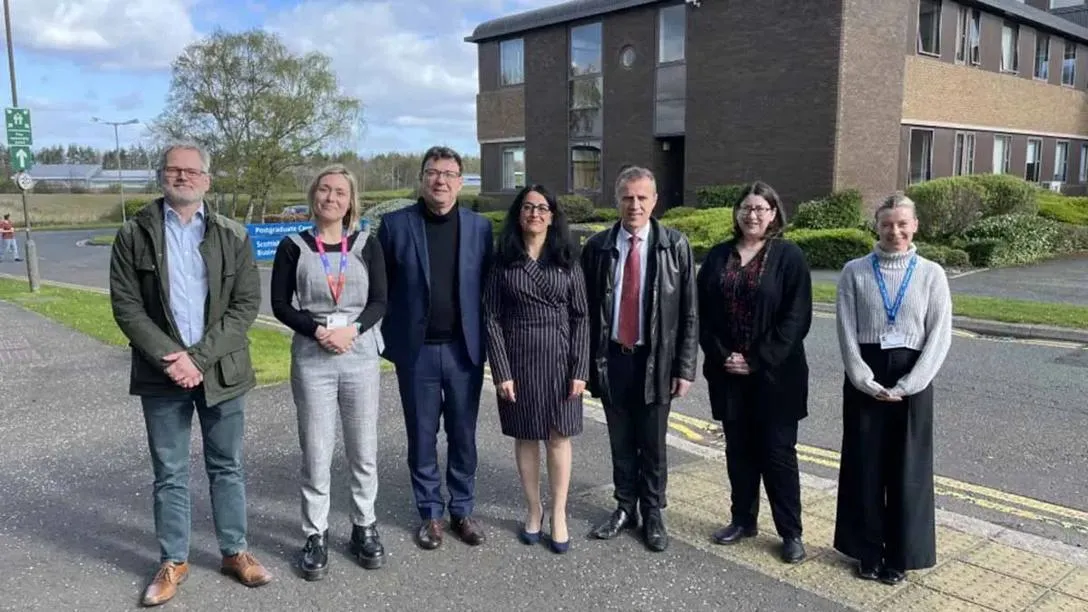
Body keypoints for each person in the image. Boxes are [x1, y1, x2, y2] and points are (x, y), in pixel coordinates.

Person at [109, 141, 272, 607]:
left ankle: (234, 551)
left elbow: (244, 307)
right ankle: (173, 560)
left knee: (227, 466)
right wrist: (172, 358)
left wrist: (197, 359)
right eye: (173, 170)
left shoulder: (232, 234)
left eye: (191, 171)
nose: (182, 176)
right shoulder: (133, 234)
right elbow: (126, 306)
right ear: (161, 176)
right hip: (162, 376)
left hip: (221, 371)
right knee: (170, 472)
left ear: (207, 179)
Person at [270, 164, 387, 580]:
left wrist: (352, 329)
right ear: (313, 196)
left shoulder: (366, 244)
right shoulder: (294, 246)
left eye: (340, 192)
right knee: (317, 452)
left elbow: (379, 301)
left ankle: (363, 525)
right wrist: (319, 330)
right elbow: (281, 304)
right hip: (313, 356)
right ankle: (315, 533)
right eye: (324, 190)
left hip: (359, 352)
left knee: (363, 448)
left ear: (351, 200)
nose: (331, 198)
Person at [378, 146, 494, 550]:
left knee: (463, 434)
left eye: (448, 173)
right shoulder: (394, 226)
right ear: (422, 179)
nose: (440, 180)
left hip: (465, 351)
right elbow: (382, 291)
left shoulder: (479, 228)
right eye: (432, 172)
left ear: (460, 182)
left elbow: (488, 289)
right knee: (422, 435)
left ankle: (462, 509)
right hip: (417, 353)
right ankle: (430, 513)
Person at [833, 193, 952, 585]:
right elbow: (846, 330)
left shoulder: (931, 274)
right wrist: (862, 379)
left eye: (902, 223)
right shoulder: (854, 271)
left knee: (908, 470)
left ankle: (899, 555)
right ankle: (867, 551)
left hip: (912, 378)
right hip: (866, 376)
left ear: (915, 225)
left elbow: (939, 335)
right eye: (887, 224)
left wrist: (910, 384)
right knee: (864, 466)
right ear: (877, 227)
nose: (894, 231)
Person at [581, 165, 698, 552]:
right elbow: (584, 313)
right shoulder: (597, 248)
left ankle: (653, 512)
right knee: (620, 440)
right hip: (612, 358)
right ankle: (624, 507)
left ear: (654, 201)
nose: (634, 205)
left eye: (642, 197)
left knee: (653, 443)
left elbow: (689, 314)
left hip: (656, 361)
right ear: (617, 200)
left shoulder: (675, 246)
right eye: (627, 197)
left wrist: (684, 368)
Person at [696, 181, 812, 564]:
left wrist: (756, 359)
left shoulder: (789, 257)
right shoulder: (717, 257)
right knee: (739, 453)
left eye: (761, 209)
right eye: (747, 207)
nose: (753, 215)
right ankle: (742, 519)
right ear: (737, 212)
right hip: (728, 375)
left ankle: (791, 532)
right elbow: (703, 315)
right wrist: (723, 355)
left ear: (774, 214)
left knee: (778, 456)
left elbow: (796, 320)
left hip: (776, 378)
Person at [483, 184, 589, 554]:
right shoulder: (503, 261)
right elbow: (492, 318)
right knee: (526, 436)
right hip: (519, 358)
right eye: (528, 207)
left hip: (561, 359)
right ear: (518, 214)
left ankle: (559, 513)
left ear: (552, 216)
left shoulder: (567, 257)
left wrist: (580, 368)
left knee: (559, 436)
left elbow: (581, 316)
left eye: (543, 207)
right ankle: (534, 509)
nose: (535, 213)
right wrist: (501, 371)